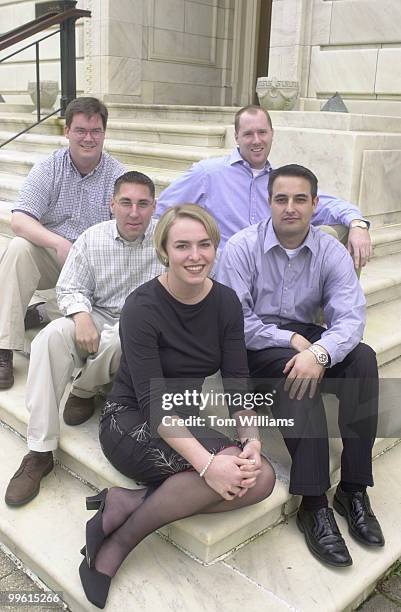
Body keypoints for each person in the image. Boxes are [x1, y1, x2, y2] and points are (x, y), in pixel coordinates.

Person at [78, 204, 276, 609]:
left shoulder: (225, 303)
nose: (195, 255)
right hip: (132, 420)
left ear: (216, 247)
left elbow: (238, 381)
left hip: (184, 417)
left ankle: (124, 502)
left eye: (205, 244)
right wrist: (207, 464)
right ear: (164, 250)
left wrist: (250, 439)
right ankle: (117, 546)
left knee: (264, 478)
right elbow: (153, 406)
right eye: (183, 245)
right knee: (224, 473)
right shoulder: (142, 306)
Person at [216, 164, 384, 568]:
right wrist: (291, 343)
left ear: (315, 204)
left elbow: (350, 319)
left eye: (299, 199)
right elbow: (235, 321)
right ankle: (313, 502)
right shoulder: (241, 247)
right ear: (269, 203)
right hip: (255, 344)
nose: (290, 208)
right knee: (294, 370)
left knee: (363, 358)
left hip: (308, 339)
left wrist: (319, 352)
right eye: (281, 199)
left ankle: (354, 489)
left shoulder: (329, 252)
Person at [5, 171, 164, 508]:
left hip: (138, 328)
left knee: (121, 340)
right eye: (126, 203)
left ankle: (83, 389)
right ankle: (39, 450)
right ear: (112, 205)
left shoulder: (166, 242)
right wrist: (79, 315)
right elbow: (70, 287)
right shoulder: (93, 238)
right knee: (49, 337)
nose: (134, 212)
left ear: (154, 207)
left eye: (142, 204)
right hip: (96, 313)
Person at [0, 97, 126, 389]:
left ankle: (40, 313)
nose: (88, 138)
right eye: (81, 130)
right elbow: (20, 219)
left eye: (96, 131)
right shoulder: (49, 168)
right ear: (67, 131)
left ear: (104, 133)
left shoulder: (118, 176)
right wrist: (58, 243)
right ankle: (3, 349)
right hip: (56, 258)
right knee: (18, 248)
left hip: (96, 267)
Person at [156, 105, 371, 262]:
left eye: (262, 132)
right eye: (248, 134)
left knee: (335, 233)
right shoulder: (208, 173)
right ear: (237, 137)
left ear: (272, 135)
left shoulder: (282, 183)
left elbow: (330, 205)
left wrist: (358, 225)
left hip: (272, 270)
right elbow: (163, 211)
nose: (256, 140)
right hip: (225, 270)